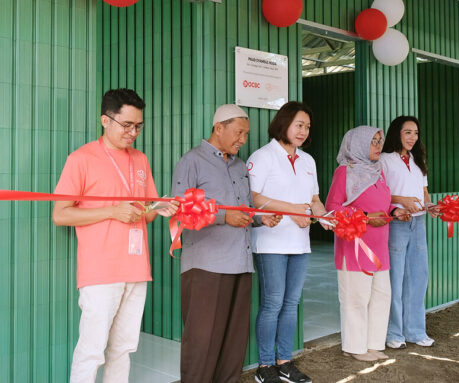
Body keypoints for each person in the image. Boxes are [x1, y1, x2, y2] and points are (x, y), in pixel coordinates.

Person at [52, 88, 178, 383]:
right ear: (105, 120)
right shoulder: (81, 159)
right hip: (100, 272)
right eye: (127, 125)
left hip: (136, 270)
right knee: (92, 351)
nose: (133, 132)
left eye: (138, 126)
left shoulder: (140, 159)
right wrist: (111, 211)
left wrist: (160, 207)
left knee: (123, 349)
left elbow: (144, 212)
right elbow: (61, 215)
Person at [171, 104, 282, 383]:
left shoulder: (240, 165)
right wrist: (223, 216)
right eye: (239, 132)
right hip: (206, 264)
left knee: (234, 339)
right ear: (218, 128)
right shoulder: (192, 161)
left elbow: (242, 211)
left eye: (245, 134)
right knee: (202, 338)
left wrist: (260, 219)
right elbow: (181, 209)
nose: (243, 139)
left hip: (240, 263)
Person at [247, 101, 332, 383]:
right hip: (270, 242)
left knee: (291, 302)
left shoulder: (308, 161)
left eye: (307, 127)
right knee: (272, 303)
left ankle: (285, 362)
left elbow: (315, 200)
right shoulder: (263, 156)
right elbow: (254, 198)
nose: (304, 131)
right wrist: (292, 209)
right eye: (299, 125)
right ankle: (265, 366)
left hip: (300, 243)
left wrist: (325, 217)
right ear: (283, 123)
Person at [325, 126, 409, 362]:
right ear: (358, 144)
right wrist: (364, 215)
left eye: (379, 141)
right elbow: (333, 207)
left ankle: (373, 344)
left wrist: (395, 210)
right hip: (355, 246)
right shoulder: (344, 171)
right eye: (373, 142)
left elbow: (382, 205)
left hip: (379, 246)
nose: (378, 147)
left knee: (382, 295)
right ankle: (354, 346)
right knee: (356, 297)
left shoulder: (377, 170)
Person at [380, 116, 440, 349]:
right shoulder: (385, 160)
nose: (413, 137)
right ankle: (394, 332)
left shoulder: (418, 159)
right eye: (407, 132)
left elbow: (424, 192)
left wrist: (430, 206)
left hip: (418, 223)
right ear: (397, 133)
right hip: (396, 223)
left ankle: (415, 331)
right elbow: (380, 193)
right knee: (396, 278)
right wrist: (401, 201)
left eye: (415, 133)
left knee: (418, 277)